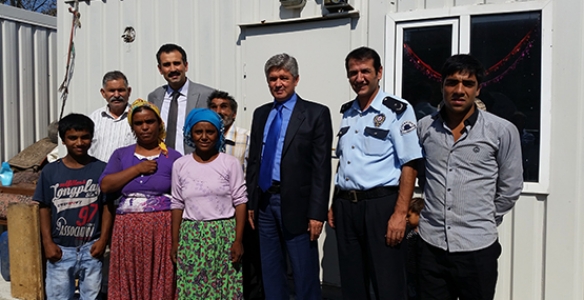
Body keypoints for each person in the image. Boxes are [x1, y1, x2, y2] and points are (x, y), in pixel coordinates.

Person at [416, 54, 523, 300]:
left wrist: (484, 217)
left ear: (478, 88)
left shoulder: (501, 131)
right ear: (442, 85)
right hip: (431, 245)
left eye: (468, 83)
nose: (459, 90)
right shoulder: (424, 128)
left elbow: (511, 187)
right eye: (452, 82)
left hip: (476, 247)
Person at [327, 46, 422, 300]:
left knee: (388, 283)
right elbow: (345, 161)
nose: (359, 78)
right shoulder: (348, 112)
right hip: (347, 207)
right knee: (352, 283)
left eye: (365, 71)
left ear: (379, 72)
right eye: (353, 73)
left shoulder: (397, 110)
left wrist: (400, 214)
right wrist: (335, 202)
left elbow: (410, 164)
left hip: (381, 207)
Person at [246, 53, 333, 300]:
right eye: (273, 79)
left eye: (284, 78)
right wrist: (252, 202)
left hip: (298, 205)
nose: (278, 84)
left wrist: (317, 213)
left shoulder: (315, 114)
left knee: (303, 271)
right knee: (271, 270)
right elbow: (254, 161)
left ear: (296, 79)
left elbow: (321, 168)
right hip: (265, 204)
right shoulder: (261, 114)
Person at [100, 99, 182, 300]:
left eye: (150, 121)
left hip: (161, 229)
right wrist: (138, 169)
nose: (145, 127)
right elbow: (106, 185)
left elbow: (182, 197)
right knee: (130, 276)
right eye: (138, 123)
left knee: (159, 277)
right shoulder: (122, 155)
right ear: (132, 127)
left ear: (159, 123)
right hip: (128, 230)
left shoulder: (172, 156)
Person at [33, 113, 113, 299]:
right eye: (73, 138)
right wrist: (47, 243)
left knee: (91, 295)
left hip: (91, 248)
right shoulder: (50, 171)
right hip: (61, 249)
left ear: (92, 138)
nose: (79, 142)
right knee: (58, 295)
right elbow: (43, 207)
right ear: (63, 140)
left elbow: (108, 206)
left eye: (85, 137)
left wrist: (103, 241)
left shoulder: (102, 169)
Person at [170, 108, 247, 300]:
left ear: (218, 133)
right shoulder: (181, 164)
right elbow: (177, 203)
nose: (204, 137)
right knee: (192, 289)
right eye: (198, 132)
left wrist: (238, 240)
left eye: (210, 132)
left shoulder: (229, 163)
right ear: (191, 134)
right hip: (191, 236)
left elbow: (240, 202)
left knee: (223, 288)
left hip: (223, 235)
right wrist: (175, 241)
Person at [208, 90, 263, 300]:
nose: (219, 111)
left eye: (224, 107)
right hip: (212, 215)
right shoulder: (203, 137)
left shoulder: (245, 138)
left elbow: (253, 175)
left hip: (239, 213)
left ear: (234, 112)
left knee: (246, 265)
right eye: (214, 107)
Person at [148, 43, 215, 155]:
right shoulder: (154, 97)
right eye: (167, 65)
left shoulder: (207, 95)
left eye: (177, 63)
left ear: (186, 65)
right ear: (160, 69)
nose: (173, 69)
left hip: (194, 163)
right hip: (162, 163)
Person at [89, 70, 135, 162]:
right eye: (112, 91)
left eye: (121, 90)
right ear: (103, 93)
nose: (117, 95)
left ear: (129, 91)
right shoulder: (93, 119)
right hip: (98, 174)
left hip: (128, 173)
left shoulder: (138, 118)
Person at [406, 197, 424, 300]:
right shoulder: (409, 231)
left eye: (409, 216)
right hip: (410, 270)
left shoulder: (419, 235)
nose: (406, 219)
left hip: (418, 270)